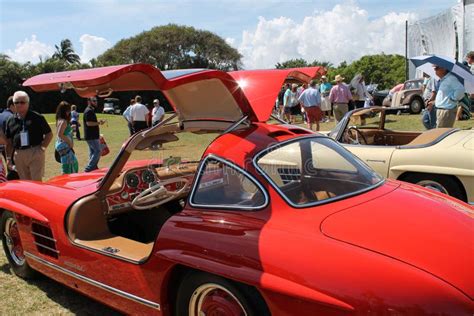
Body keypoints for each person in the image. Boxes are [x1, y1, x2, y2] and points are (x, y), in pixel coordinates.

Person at [4, 91, 52, 181]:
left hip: (35, 151)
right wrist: (8, 158)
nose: (19, 105)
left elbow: (49, 134)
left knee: (36, 181)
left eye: (22, 102)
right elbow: (9, 142)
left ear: (28, 103)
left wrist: (42, 148)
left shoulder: (37, 117)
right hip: (18, 154)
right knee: (24, 181)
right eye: (16, 102)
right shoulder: (10, 120)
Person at [55, 101, 78, 174]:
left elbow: (62, 132)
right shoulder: (64, 121)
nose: (69, 112)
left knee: (68, 165)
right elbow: (60, 134)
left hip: (61, 146)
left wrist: (70, 128)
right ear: (64, 111)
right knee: (70, 166)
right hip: (65, 146)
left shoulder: (59, 119)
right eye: (68, 110)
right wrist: (69, 142)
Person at [83, 97, 106, 172]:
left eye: (96, 101)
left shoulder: (90, 110)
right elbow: (89, 123)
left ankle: (94, 168)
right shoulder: (88, 111)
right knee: (98, 151)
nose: (96, 102)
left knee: (93, 152)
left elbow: (91, 122)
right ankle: (89, 168)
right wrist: (99, 123)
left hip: (92, 135)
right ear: (89, 101)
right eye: (94, 101)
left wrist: (98, 122)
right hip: (91, 135)